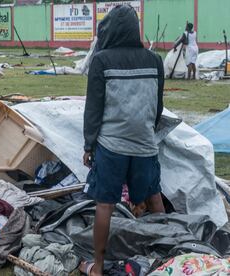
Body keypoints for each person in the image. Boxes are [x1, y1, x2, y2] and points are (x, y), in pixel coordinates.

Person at [81, 5, 165, 276]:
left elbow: (93, 108)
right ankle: (167, 258)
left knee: (104, 205)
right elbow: (158, 107)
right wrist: (145, 133)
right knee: (154, 199)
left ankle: (98, 267)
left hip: (111, 145)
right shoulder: (154, 60)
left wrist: (88, 145)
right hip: (145, 145)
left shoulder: (101, 60)